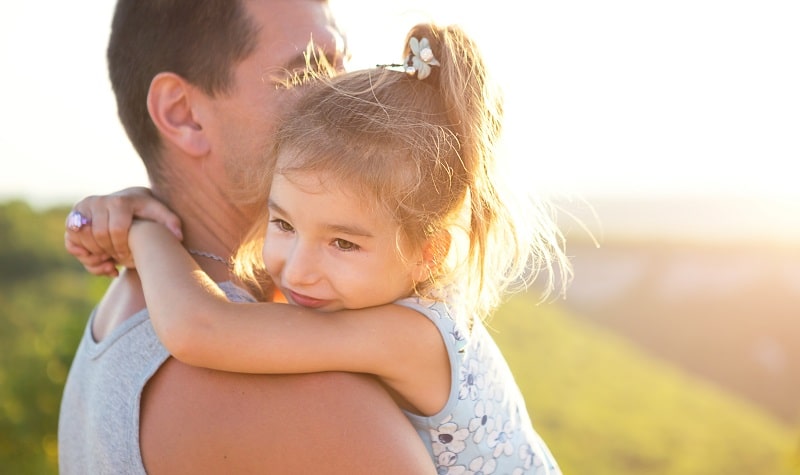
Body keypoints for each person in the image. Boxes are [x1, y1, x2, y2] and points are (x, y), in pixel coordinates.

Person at [68, 21, 572, 474]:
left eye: (343, 242)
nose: (334, 93)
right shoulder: (364, 287)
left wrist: (143, 229)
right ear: (183, 114)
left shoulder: (409, 334)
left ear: (429, 252)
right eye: (305, 72)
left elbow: (203, 328)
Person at [57, 1, 437, 474]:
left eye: (340, 63)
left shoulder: (123, 314)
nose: (347, 95)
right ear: (183, 115)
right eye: (306, 72)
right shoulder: (302, 396)